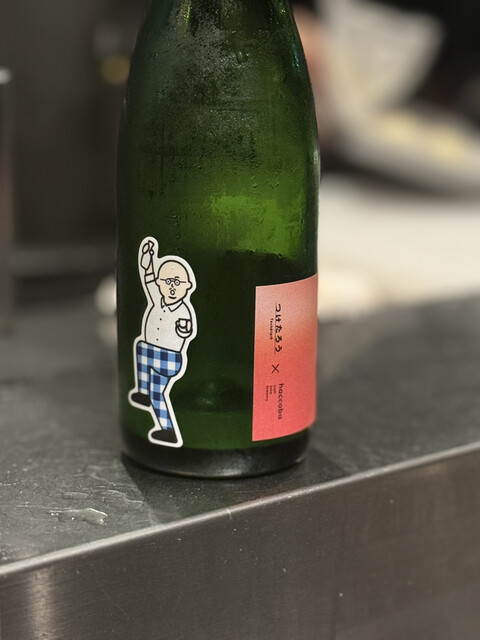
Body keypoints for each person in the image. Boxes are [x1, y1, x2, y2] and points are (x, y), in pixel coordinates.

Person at [129, 237, 196, 447]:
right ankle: (144, 395)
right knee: (141, 349)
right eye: (167, 281)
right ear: (160, 284)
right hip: (152, 351)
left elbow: (186, 330)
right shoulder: (158, 300)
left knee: (157, 390)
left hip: (169, 358)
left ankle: (166, 428)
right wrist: (147, 261)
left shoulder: (183, 311)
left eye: (177, 282)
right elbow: (148, 279)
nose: (172, 286)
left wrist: (183, 330)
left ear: (187, 286)